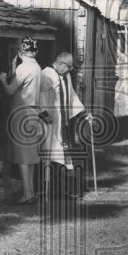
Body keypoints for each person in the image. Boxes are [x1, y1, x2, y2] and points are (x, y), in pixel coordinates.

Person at [0, 37, 44, 205]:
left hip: (21, 112)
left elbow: (10, 90)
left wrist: (3, 79)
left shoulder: (23, 68)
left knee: (22, 156)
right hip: (34, 112)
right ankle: (30, 191)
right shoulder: (37, 67)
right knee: (31, 155)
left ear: (21, 51)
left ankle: (27, 194)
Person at [40, 52, 90, 198]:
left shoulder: (65, 76)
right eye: (69, 67)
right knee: (53, 155)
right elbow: (39, 94)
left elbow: (71, 95)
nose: (70, 70)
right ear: (61, 64)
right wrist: (44, 113)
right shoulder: (47, 74)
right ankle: (52, 190)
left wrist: (84, 114)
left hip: (63, 122)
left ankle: (66, 190)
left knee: (65, 153)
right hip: (50, 121)